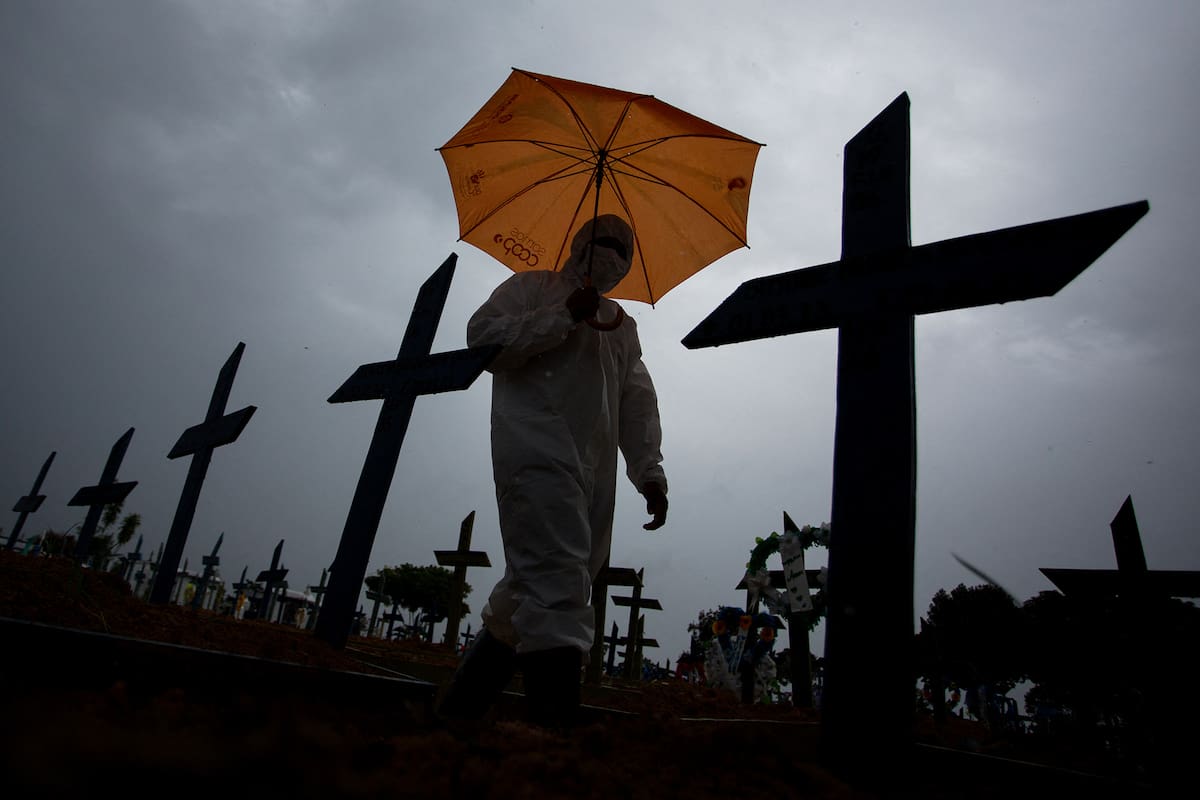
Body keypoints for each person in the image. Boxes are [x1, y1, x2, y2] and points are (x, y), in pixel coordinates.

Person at [438, 214, 668, 728]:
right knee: (558, 580)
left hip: (595, 470)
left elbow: (637, 402)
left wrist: (649, 471)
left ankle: (456, 718)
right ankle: (554, 740)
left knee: (535, 588)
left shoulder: (622, 326)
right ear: (579, 244)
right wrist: (563, 314)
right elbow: (485, 342)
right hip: (535, 449)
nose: (611, 255)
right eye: (602, 243)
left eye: (621, 250)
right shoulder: (530, 289)